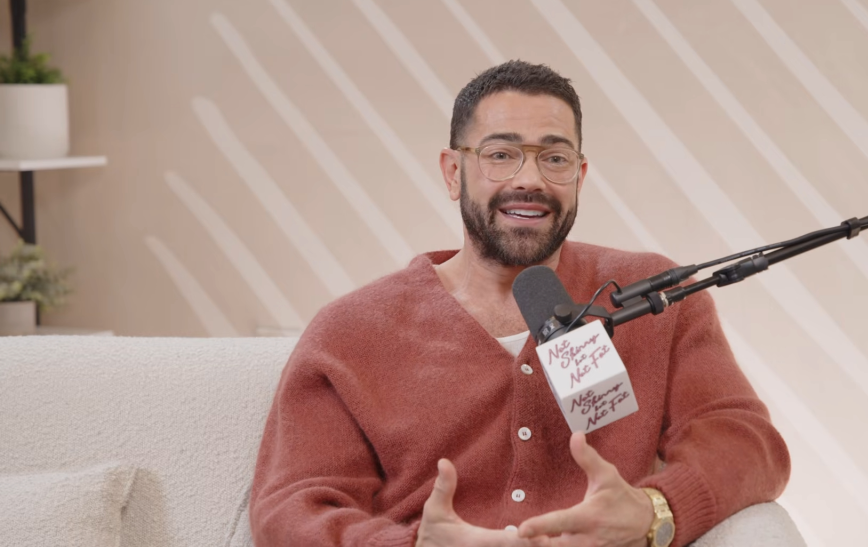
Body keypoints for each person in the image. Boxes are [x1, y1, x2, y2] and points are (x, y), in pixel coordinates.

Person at [249, 60, 790, 547]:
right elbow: (292, 505)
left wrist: (654, 511)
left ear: (578, 176)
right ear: (452, 171)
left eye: (554, 157)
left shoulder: (651, 295)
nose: (530, 180)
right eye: (501, 155)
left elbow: (746, 442)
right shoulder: (350, 332)